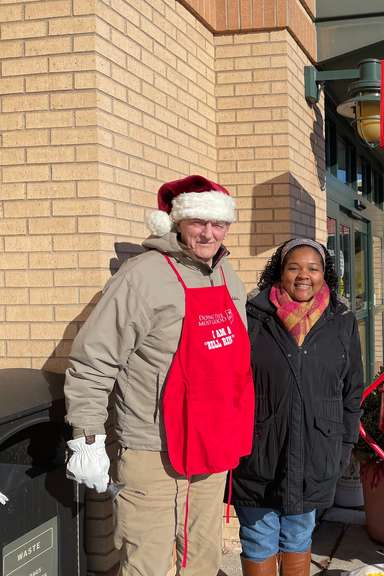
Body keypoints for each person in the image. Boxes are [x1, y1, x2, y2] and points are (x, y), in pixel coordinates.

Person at [64, 175, 254, 576]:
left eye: (217, 223)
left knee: (202, 558)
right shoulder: (143, 276)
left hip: (210, 447)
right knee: (147, 563)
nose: (208, 232)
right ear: (177, 222)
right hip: (154, 450)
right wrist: (87, 437)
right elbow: (93, 359)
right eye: (197, 222)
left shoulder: (226, 275)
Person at [230, 238, 363, 576]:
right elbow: (231, 382)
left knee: (299, 536)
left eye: (313, 268)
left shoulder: (341, 320)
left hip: (317, 448)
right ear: (280, 272)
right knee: (258, 536)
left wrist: (345, 444)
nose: (304, 275)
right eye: (294, 267)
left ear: (325, 274)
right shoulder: (252, 317)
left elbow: (352, 390)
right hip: (259, 448)